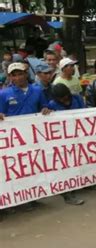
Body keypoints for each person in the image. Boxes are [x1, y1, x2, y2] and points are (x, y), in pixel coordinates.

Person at [0, 63, 52, 210]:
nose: (18, 77)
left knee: (34, 165)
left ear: (26, 74)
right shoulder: (4, 94)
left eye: (21, 73)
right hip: (14, 139)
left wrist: (46, 109)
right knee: (17, 167)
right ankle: (20, 199)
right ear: (10, 77)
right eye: (14, 75)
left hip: (34, 136)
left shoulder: (37, 90)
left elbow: (44, 106)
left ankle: (33, 195)